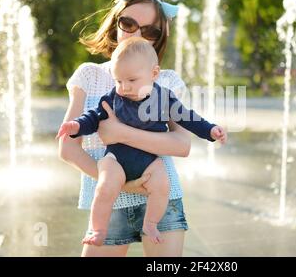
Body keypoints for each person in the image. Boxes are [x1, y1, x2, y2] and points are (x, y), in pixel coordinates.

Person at [59, 0, 204, 257]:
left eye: (149, 30)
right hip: (108, 203)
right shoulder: (89, 75)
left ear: (158, 37)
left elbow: (181, 145)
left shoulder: (168, 81)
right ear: (116, 23)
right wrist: (122, 184)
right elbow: (67, 148)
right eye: (128, 23)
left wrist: (120, 134)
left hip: (161, 197)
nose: (137, 33)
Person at [57, 37, 227, 246]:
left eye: (131, 80)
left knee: (161, 184)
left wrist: (210, 130)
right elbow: (93, 117)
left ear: (153, 74)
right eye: (119, 81)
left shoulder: (164, 98)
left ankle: (150, 223)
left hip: (148, 162)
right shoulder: (113, 97)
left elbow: (188, 117)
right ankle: (99, 229)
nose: (124, 87)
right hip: (116, 159)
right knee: (105, 185)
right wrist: (76, 126)